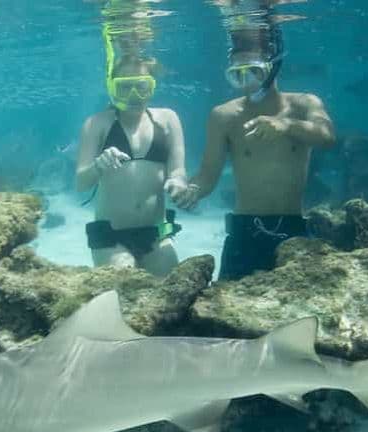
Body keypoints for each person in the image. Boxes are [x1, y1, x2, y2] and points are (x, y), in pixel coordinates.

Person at [169, 21, 336, 280]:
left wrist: (285, 125)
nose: (246, 82)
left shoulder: (304, 104)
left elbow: (326, 136)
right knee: (223, 316)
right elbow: (207, 175)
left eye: (254, 72)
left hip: (293, 232)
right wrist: (191, 192)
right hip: (244, 234)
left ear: (274, 65)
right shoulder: (223, 116)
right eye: (238, 75)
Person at [75, 53, 187, 277]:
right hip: (111, 238)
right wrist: (98, 166)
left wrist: (178, 182)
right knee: (125, 292)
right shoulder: (97, 124)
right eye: (124, 87)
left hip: (157, 235)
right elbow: (81, 183)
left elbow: (178, 170)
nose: (134, 95)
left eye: (142, 86)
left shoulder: (168, 120)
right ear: (111, 87)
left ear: (152, 85)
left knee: (169, 297)